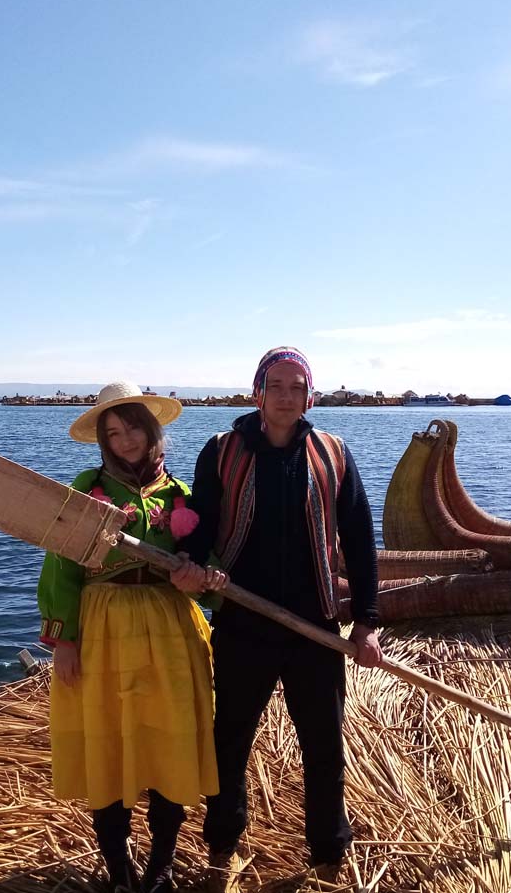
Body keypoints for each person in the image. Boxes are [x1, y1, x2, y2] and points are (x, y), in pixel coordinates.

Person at [178, 346, 384, 886]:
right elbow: (199, 527)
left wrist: (365, 620)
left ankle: (328, 852)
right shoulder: (222, 451)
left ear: (310, 396)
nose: (287, 396)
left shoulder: (332, 454)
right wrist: (193, 567)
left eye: (298, 387)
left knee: (323, 744)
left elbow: (360, 539)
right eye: (277, 386)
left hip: (314, 626)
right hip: (243, 622)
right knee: (231, 741)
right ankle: (222, 844)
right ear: (258, 393)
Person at [37, 381, 226, 893]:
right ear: (103, 440)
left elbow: (208, 565)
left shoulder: (180, 494)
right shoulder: (88, 486)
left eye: (134, 427)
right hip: (105, 627)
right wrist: (65, 640)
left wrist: (204, 577)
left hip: (170, 627)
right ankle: (118, 868)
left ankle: (160, 867)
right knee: (110, 746)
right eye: (113, 432)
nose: (125, 440)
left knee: (170, 745)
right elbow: (60, 565)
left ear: (152, 429)